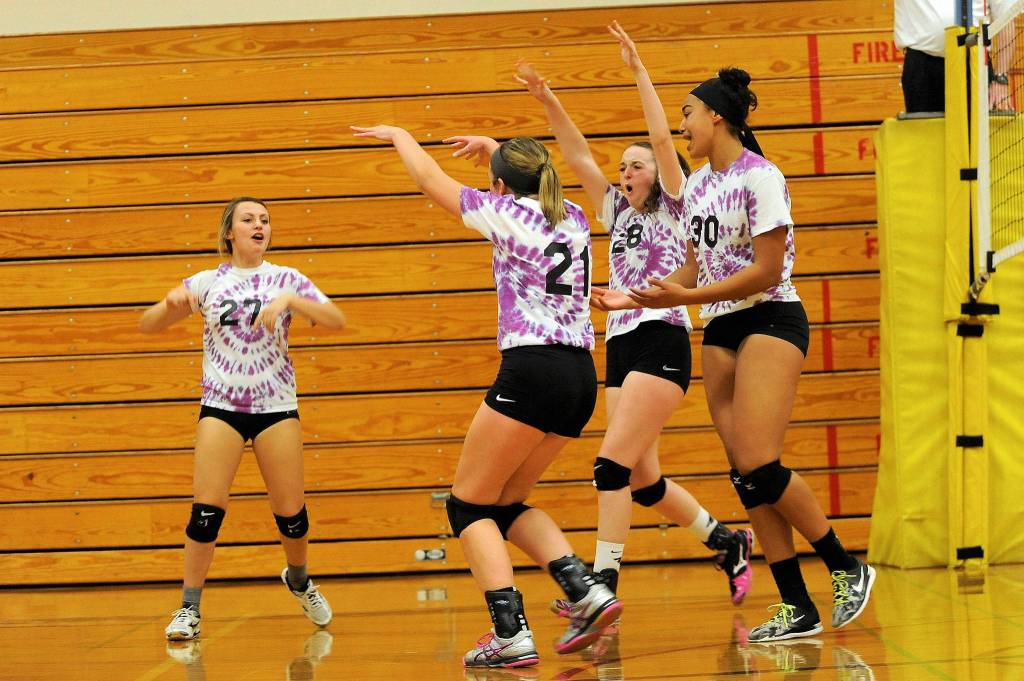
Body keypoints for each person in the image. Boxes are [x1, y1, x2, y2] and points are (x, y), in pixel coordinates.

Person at [593, 67, 876, 642]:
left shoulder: (761, 176)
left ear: (716, 115)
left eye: (687, 116)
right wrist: (638, 295)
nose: (682, 128)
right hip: (720, 325)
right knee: (745, 476)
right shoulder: (698, 186)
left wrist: (688, 297)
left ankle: (847, 565)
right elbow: (698, 264)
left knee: (761, 460)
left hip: (770, 315)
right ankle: (797, 603)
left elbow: (768, 269)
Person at [498, 22, 754, 614]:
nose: (625, 172)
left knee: (609, 467)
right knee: (642, 480)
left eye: (634, 166)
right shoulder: (616, 211)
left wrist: (638, 71)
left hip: (662, 339)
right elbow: (578, 155)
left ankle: (602, 586)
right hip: (619, 345)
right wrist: (548, 100)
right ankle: (725, 540)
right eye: (624, 168)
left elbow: (664, 141)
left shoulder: (674, 200)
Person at [350, 123, 621, 668]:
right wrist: (498, 153)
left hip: (532, 368)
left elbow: (430, 177)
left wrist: (401, 135)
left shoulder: (502, 213)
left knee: (466, 505)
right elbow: (527, 173)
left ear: (498, 187)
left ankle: (510, 633)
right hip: (579, 376)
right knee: (503, 504)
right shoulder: (568, 214)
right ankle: (586, 590)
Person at [139, 197, 346, 641]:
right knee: (205, 512)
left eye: (265, 220)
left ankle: (299, 578)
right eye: (249, 220)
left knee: (291, 514)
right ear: (229, 232)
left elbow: (335, 319)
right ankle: (188, 608)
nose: (259, 225)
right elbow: (149, 324)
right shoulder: (208, 281)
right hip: (221, 408)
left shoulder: (286, 279)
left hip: (275, 407)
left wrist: (294, 300)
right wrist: (170, 304)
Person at [895, 0, 1014, 112]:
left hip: (975, 64)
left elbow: (1006, 20)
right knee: (923, 131)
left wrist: (1000, 79)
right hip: (921, 66)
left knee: (979, 132)